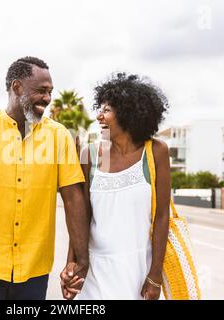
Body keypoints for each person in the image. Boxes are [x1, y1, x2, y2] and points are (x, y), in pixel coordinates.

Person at [0, 56, 90, 300]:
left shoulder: (59, 136)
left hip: (34, 266)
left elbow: (73, 199)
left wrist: (81, 259)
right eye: (41, 91)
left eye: (50, 92)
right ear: (17, 87)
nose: (47, 98)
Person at [60, 73, 170, 300]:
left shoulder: (156, 152)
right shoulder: (88, 155)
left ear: (129, 114)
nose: (99, 115)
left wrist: (155, 275)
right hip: (96, 268)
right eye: (99, 108)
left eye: (106, 110)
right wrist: (73, 263)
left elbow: (161, 216)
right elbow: (81, 215)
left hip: (139, 268)